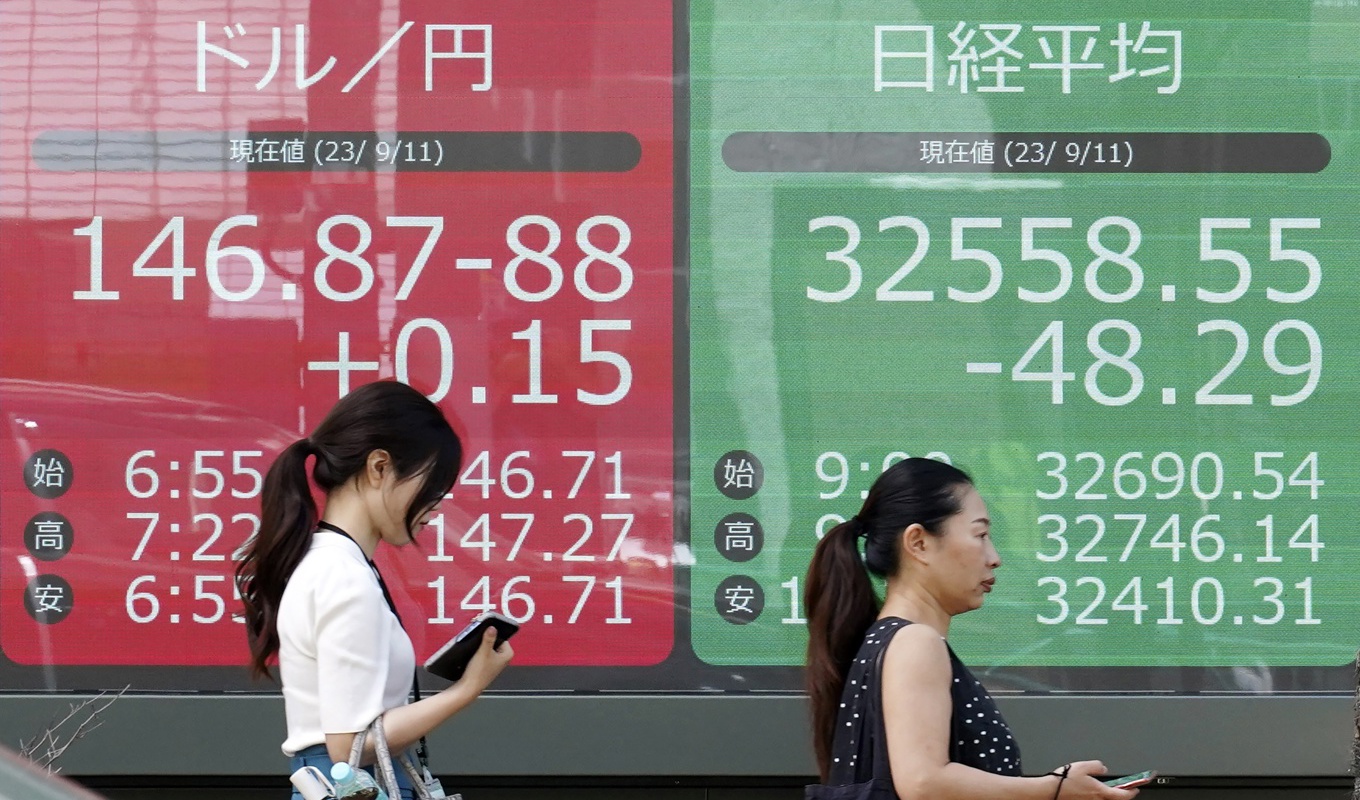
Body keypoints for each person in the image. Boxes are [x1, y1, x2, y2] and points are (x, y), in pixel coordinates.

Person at [235, 380, 513, 799]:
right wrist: (467, 689)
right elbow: (349, 748)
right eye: (432, 484)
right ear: (379, 467)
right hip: (355, 784)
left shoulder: (330, 561)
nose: (437, 505)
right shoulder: (342, 575)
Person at [804, 457, 1137, 800]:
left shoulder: (886, 643)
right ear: (918, 543)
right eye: (980, 534)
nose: (994, 557)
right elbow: (923, 782)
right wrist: (1053, 789)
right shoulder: (916, 642)